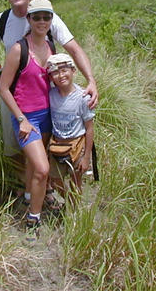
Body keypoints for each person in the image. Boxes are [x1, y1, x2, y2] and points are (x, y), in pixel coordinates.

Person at [0, 0, 98, 158]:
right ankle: (20, 186)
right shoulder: (1, 21)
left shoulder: (46, 17)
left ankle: (47, 183)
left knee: (50, 142)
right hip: (13, 94)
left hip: (47, 93)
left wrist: (91, 80)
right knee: (13, 144)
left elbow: (75, 49)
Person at [0, 0, 57, 234]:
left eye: (46, 17)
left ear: (51, 20)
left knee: (35, 167)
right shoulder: (18, 49)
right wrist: (21, 119)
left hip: (47, 115)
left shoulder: (51, 46)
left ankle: (32, 199)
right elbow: (3, 88)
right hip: (27, 118)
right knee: (43, 169)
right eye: (37, 17)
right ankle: (33, 218)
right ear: (29, 20)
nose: (42, 21)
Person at [45, 53, 95, 206]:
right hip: (57, 145)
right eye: (55, 72)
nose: (61, 75)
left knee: (76, 180)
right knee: (55, 180)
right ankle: (69, 200)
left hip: (77, 146)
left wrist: (87, 157)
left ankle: (74, 212)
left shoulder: (83, 98)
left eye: (64, 70)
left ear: (73, 71)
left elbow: (89, 128)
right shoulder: (51, 95)